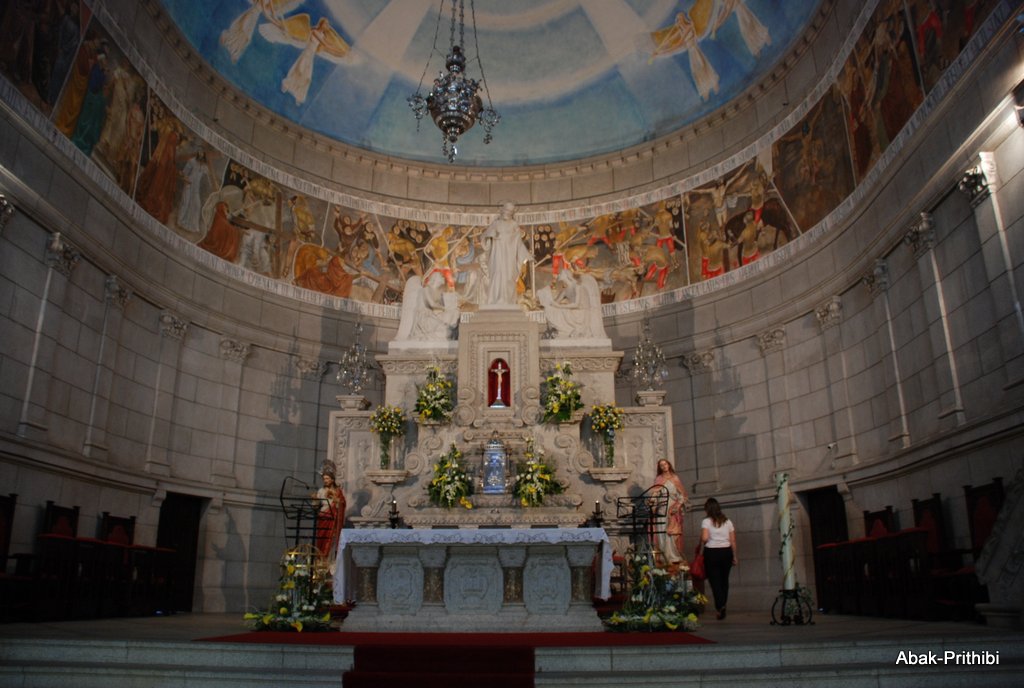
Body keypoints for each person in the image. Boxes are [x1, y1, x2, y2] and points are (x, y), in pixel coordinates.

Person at [481, 201, 530, 306]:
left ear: (512, 213)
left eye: (510, 212)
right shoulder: (496, 223)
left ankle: (508, 301)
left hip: (509, 254)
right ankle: (495, 299)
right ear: (502, 210)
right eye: (506, 210)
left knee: (509, 276)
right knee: (497, 274)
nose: (507, 213)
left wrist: (526, 255)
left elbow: (518, 242)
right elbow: (485, 236)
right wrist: (492, 235)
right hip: (497, 254)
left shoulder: (514, 224)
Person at [700, 497, 737, 619]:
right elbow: (733, 540)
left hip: (712, 553)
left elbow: (705, 538)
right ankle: (723, 604)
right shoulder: (728, 522)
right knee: (724, 580)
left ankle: (720, 606)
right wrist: (735, 556)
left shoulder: (706, 521)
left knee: (714, 581)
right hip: (726, 552)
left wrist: (703, 537)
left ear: (708, 509)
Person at [652, 459, 689, 570]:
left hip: (673, 508)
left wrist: (677, 506)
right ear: (659, 468)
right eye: (661, 465)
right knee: (662, 532)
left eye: (665, 464)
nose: (664, 466)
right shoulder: (659, 479)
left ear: (669, 465)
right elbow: (655, 493)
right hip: (662, 508)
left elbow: (682, 495)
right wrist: (652, 501)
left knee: (672, 533)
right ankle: (663, 556)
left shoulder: (675, 478)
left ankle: (674, 556)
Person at [313, 463, 345, 571]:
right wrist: (314, 500)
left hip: (332, 519)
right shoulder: (321, 491)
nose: (325, 480)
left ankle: (329, 562)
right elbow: (316, 506)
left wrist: (336, 499)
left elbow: (342, 504)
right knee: (321, 540)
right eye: (324, 479)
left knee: (331, 542)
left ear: (332, 479)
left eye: (327, 478)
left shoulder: (337, 491)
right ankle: (320, 562)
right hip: (323, 517)